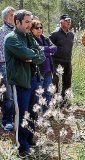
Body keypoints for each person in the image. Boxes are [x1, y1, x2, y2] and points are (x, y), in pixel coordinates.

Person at [4, 10, 45, 156]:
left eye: (30, 21)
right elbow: (26, 54)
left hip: (34, 79)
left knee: (33, 111)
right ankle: (22, 146)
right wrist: (32, 54)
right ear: (17, 22)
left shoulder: (29, 36)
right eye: (26, 22)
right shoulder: (11, 38)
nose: (30, 25)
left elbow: (41, 56)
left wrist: (32, 56)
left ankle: (29, 137)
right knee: (22, 114)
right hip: (21, 82)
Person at [31, 19, 57, 112]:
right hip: (38, 71)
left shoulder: (45, 38)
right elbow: (35, 51)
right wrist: (47, 51)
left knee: (47, 93)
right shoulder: (31, 40)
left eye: (41, 27)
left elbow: (54, 48)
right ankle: (37, 114)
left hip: (48, 70)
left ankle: (47, 112)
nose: (39, 29)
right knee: (38, 93)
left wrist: (44, 50)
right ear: (31, 29)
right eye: (36, 27)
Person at [49, 14, 74, 98]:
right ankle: (54, 101)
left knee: (67, 82)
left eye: (69, 20)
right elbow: (49, 47)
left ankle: (65, 100)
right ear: (61, 22)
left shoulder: (71, 34)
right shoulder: (54, 34)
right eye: (66, 20)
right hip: (56, 62)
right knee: (55, 82)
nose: (69, 22)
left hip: (68, 61)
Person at [0, 6, 15, 131]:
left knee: (19, 93)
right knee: (8, 95)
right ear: (5, 18)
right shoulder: (1, 32)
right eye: (11, 15)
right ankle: (7, 121)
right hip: (5, 65)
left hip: (20, 65)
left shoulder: (18, 31)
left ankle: (18, 118)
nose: (14, 18)